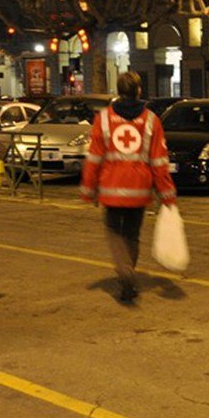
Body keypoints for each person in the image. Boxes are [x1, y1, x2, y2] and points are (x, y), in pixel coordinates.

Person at [80, 72, 177, 301]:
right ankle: (128, 271)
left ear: (118, 90)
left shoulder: (103, 119)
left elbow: (94, 157)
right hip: (139, 189)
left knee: (115, 234)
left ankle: (125, 273)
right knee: (132, 235)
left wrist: (88, 188)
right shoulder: (152, 120)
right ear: (139, 91)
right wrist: (167, 193)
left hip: (111, 189)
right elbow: (159, 162)